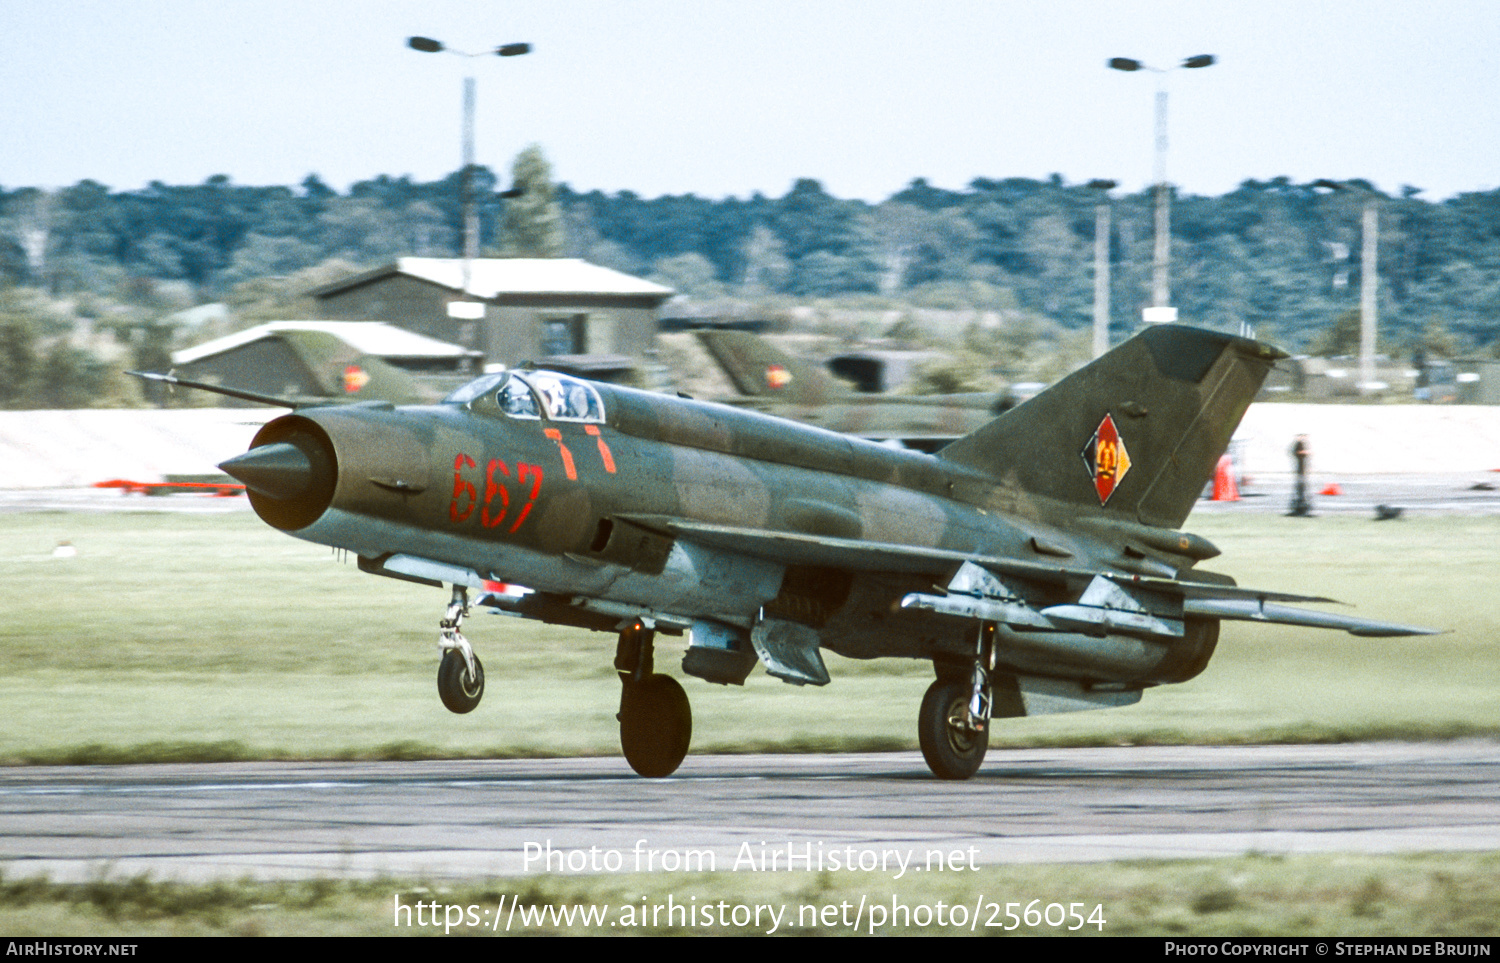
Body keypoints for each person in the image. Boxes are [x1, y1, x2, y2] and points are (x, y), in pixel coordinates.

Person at [1288, 434, 1313, 516]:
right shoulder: (1298, 444)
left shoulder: (1300, 444)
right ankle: (1300, 506)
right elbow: (1297, 453)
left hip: (1302, 471)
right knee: (1301, 488)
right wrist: (1305, 452)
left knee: (1301, 488)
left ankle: (1301, 505)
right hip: (1300, 471)